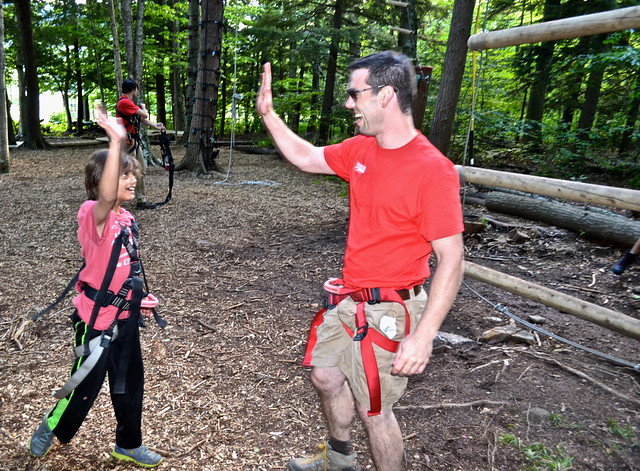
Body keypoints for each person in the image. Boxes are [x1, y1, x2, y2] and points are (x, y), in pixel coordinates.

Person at [256, 51, 465, 471]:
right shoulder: (362, 150)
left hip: (393, 307)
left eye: (355, 94)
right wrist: (269, 115)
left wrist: (424, 336)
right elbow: (307, 157)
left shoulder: (433, 170)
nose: (349, 103)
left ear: (386, 95)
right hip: (352, 300)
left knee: (375, 409)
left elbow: (452, 258)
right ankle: (339, 460)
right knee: (326, 376)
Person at [27, 109, 163, 468]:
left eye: (132, 174)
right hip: (95, 320)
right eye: (124, 175)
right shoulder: (93, 214)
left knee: (130, 382)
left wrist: (138, 298)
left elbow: (123, 268)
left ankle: (129, 444)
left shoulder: (127, 218)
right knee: (85, 385)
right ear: (104, 181)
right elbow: (104, 199)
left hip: (125, 317)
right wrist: (116, 141)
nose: (132, 180)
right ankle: (51, 425)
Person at [116, 78, 166, 210]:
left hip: (132, 141)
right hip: (126, 143)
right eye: (137, 89)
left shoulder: (128, 104)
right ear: (133, 89)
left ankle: (141, 200)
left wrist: (155, 125)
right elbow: (144, 114)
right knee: (127, 170)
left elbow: (142, 120)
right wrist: (143, 107)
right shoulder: (125, 102)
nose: (137, 91)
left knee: (140, 169)